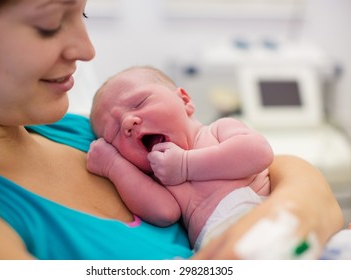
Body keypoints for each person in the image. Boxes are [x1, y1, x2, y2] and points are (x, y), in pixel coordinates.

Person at [0, 0, 344, 260]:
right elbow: (163, 210)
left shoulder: (73, 130)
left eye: (85, 13)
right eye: (48, 25)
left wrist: (297, 207)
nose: (87, 48)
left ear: (185, 99)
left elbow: (268, 159)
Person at [88, 66, 275, 251]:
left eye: (139, 104)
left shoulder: (217, 130)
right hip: (218, 246)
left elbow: (259, 152)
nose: (128, 122)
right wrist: (113, 165)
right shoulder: (161, 179)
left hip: (270, 222)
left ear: (184, 100)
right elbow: (164, 213)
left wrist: (186, 165)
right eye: (114, 132)